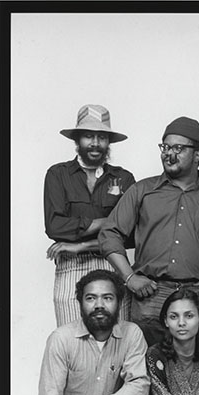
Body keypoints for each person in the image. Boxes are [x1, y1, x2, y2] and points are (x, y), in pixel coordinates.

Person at [98, 116, 199, 348]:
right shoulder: (142, 190)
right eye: (165, 147)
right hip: (150, 297)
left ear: (197, 155)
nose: (168, 154)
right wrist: (130, 277)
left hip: (198, 296)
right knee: (146, 370)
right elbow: (109, 233)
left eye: (178, 148)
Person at [45, 104, 136, 326]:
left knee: (115, 340)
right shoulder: (58, 174)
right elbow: (55, 226)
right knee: (70, 339)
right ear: (77, 140)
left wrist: (79, 245)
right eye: (88, 136)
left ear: (109, 142)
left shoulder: (123, 178)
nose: (95, 143)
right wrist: (109, 222)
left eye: (102, 137)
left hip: (112, 263)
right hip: (70, 266)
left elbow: (131, 234)